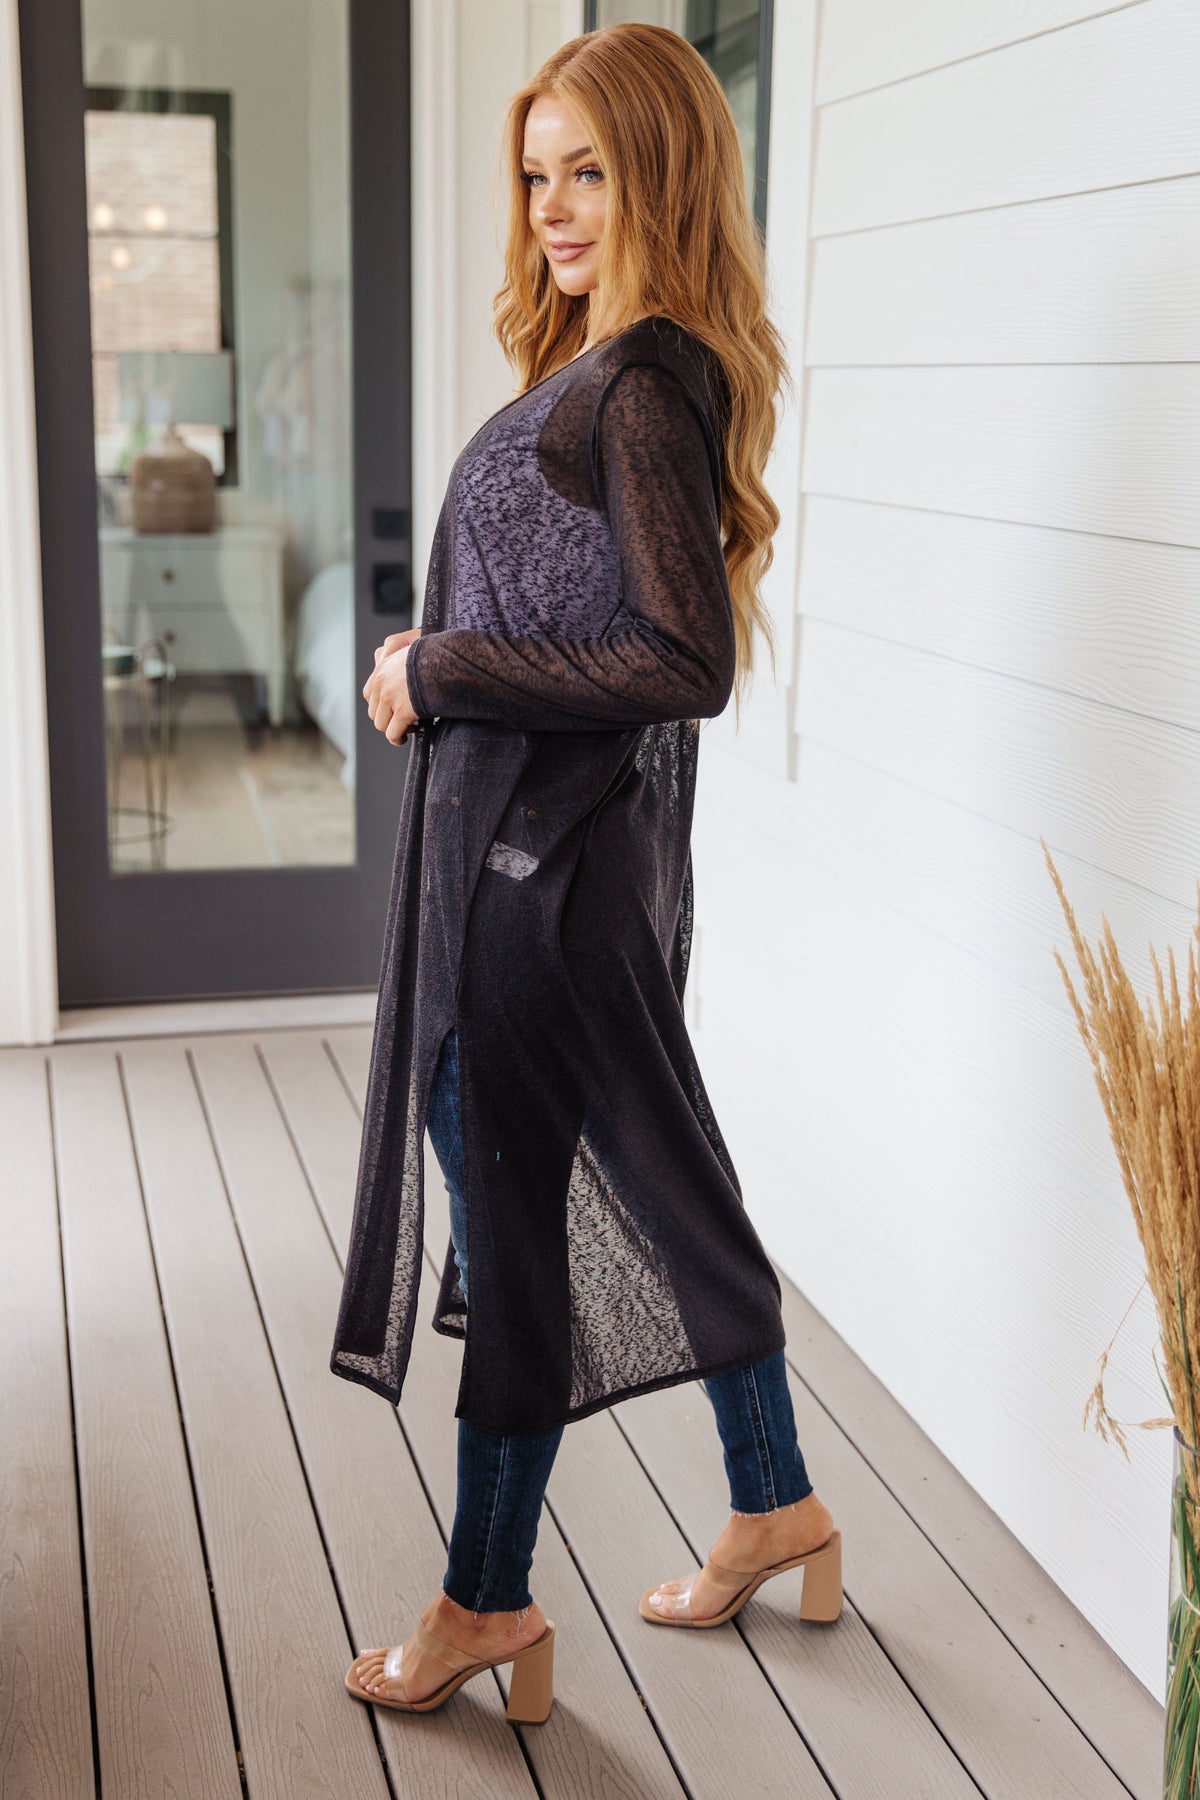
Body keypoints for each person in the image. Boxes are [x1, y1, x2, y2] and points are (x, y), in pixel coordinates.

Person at [339, 21, 842, 1720]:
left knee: (517, 1238)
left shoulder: (634, 388)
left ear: (663, 175)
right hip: (571, 873)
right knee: (664, 1177)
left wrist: (442, 665)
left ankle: (485, 1603)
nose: (553, 208)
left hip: (530, 891)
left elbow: (680, 659)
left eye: (590, 173)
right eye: (537, 175)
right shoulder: (623, 366)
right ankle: (776, 1503)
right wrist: (445, 665)